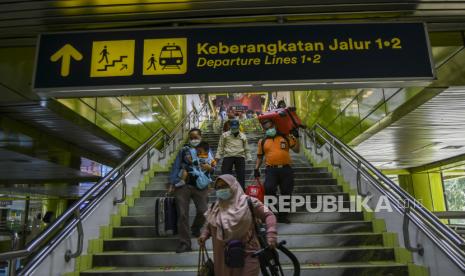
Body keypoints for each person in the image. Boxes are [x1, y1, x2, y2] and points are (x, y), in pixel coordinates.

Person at [198, 174, 277, 276]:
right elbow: (210, 225)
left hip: (248, 255)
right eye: (218, 187)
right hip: (223, 258)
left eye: (225, 186)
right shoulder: (215, 207)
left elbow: (269, 215)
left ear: (234, 185)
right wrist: (204, 235)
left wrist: (271, 234)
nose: (221, 190)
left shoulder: (249, 202)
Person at [169, 128, 215, 253]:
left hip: (201, 185)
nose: (193, 140)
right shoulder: (184, 150)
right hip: (183, 185)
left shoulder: (207, 150)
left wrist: (210, 177)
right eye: (191, 137)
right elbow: (176, 166)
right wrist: (172, 183)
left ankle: (195, 228)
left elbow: (212, 167)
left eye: (196, 137)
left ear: (201, 137)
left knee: (204, 211)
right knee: (182, 214)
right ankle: (185, 243)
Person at [254, 119, 300, 224]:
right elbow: (260, 157)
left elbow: (297, 150)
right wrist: (256, 168)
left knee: (286, 192)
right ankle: (272, 214)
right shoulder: (263, 141)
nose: (269, 130)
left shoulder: (286, 137)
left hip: (286, 169)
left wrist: (296, 137)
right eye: (266, 129)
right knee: (269, 189)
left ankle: (283, 216)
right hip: (271, 170)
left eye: (270, 127)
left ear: (275, 126)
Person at [215, 120, 252, 189]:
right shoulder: (224, 135)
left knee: (241, 176)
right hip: (228, 156)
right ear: (230, 127)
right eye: (233, 127)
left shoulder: (243, 136)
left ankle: (242, 192)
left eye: (235, 127)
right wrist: (217, 157)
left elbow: (246, 148)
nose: (234, 129)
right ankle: (226, 190)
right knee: (225, 175)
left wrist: (249, 157)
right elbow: (220, 147)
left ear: (238, 126)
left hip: (240, 157)